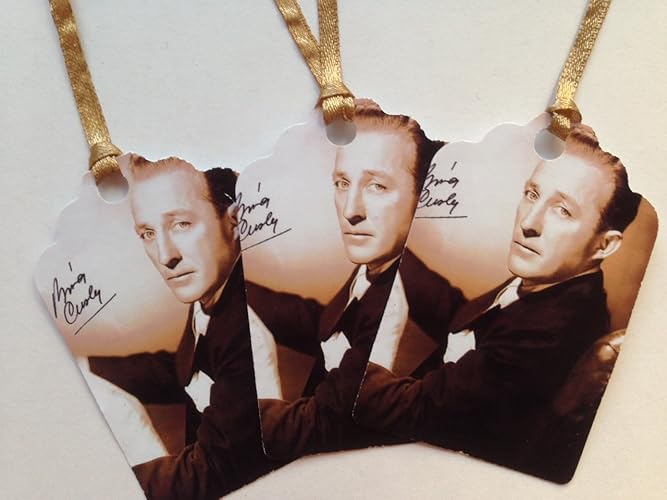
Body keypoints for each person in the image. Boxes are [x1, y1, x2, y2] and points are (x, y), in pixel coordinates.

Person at [355, 123, 642, 481]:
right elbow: (476, 318)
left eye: (562, 211)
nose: (529, 223)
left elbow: (406, 411)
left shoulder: (551, 334)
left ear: (605, 244)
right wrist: (396, 257)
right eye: (533, 194)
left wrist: (353, 364)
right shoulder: (551, 284)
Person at [250, 100, 464, 459]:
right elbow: (319, 317)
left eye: (376, 186)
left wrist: (244, 413)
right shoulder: (373, 273)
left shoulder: (407, 304)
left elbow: (316, 427)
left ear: (423, 196)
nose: (351, 211)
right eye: (342, 183)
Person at [83, 156, 267, 499]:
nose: (166, 255)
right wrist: (87, 367)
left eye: (181, 224)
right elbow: (185, 365)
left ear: (235, 222)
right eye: (148, 233)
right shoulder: (213, 294)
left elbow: (214, 471)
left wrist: (113, 480)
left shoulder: (249, 326)